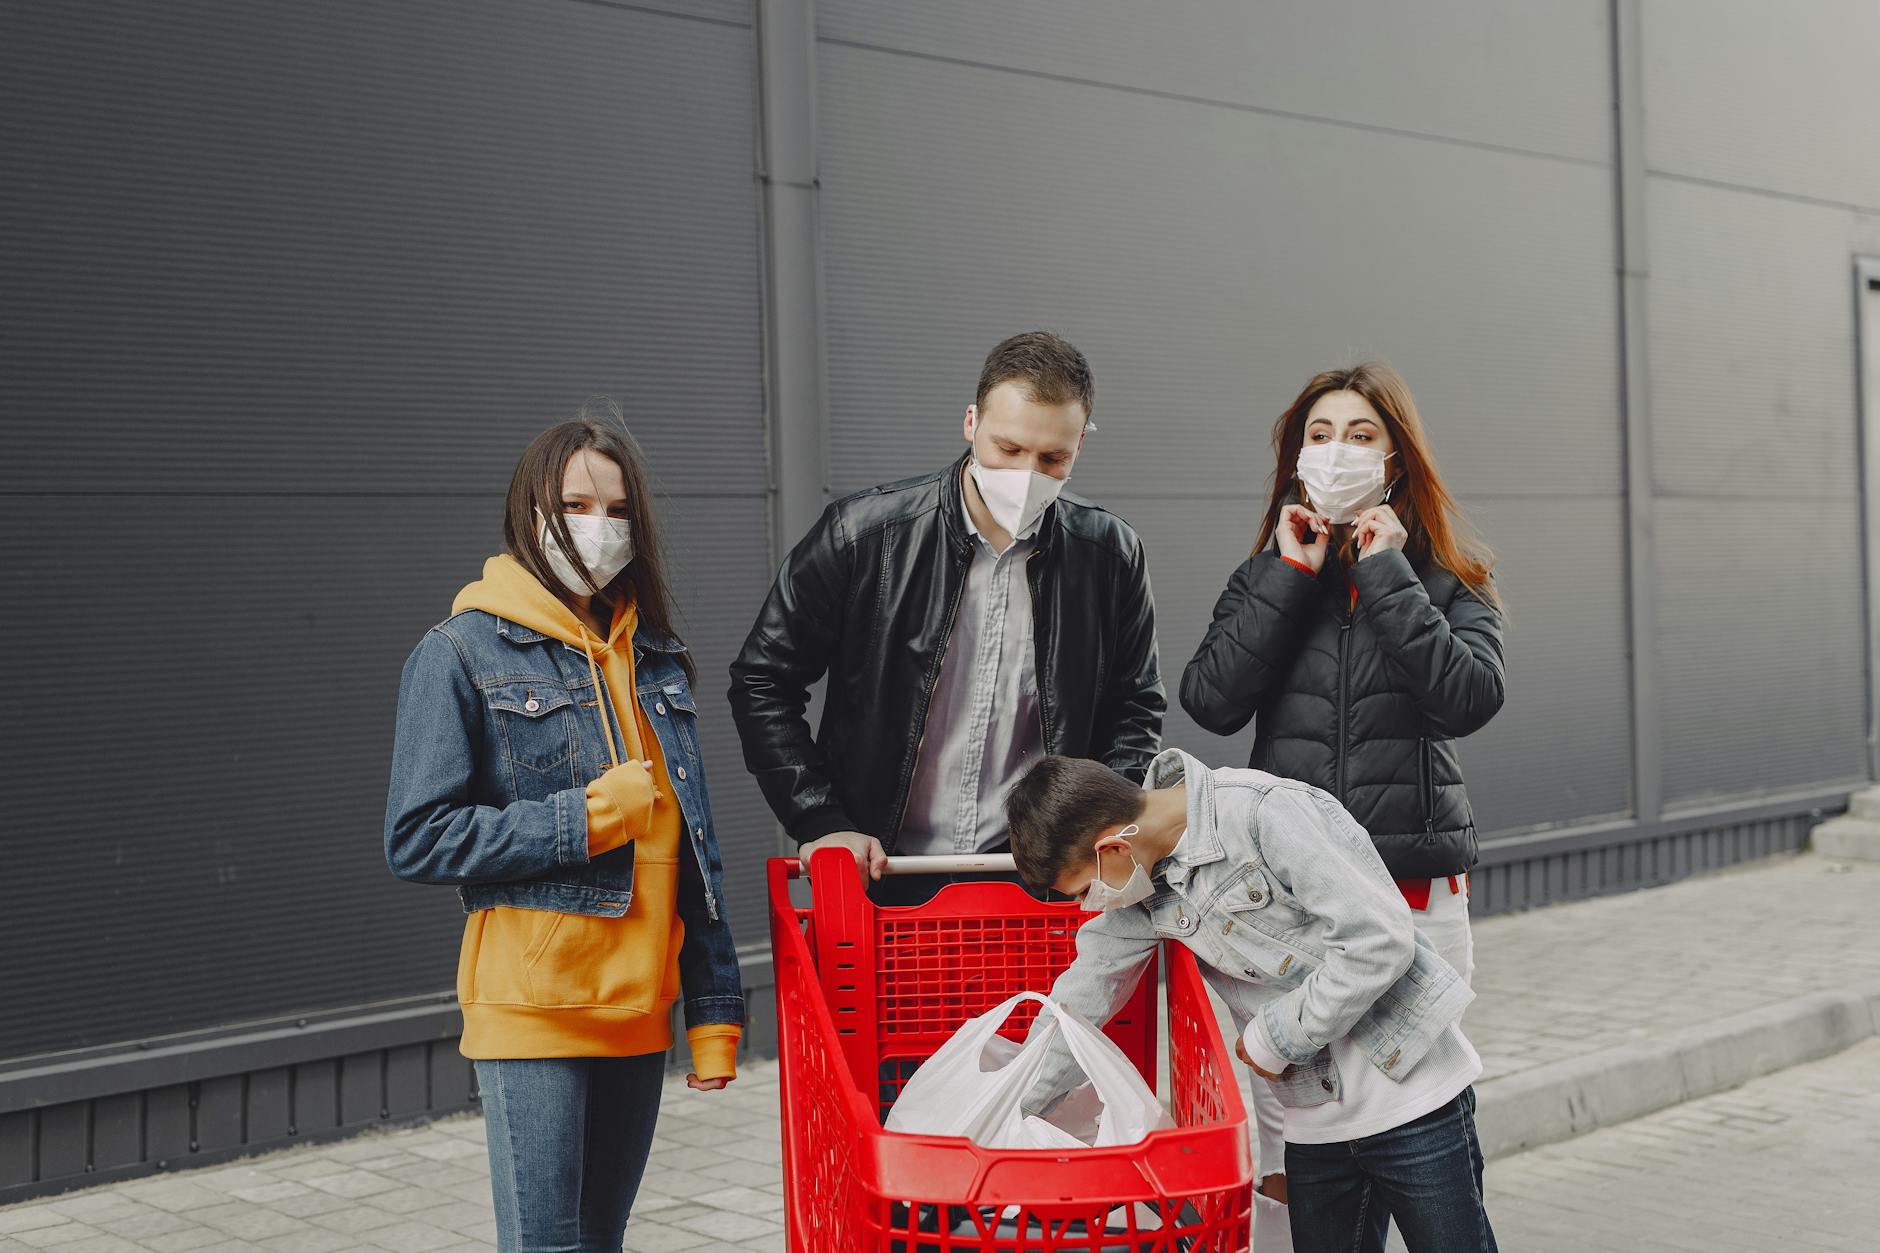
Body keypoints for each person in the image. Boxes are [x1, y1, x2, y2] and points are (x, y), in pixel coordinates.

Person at [385, 407, 743, 1253]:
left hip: (637, 1009)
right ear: (529, 511)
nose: (599, 527)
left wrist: (714, 1009)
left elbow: (696, 848)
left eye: (618, 510)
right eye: (576, 505)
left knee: (601, 1242)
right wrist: (580, 821)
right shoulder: (458, 651)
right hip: (533, 1006)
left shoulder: (653, 655)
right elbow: (418, 835)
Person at [1179, 362, 1505, 1239]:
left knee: (1422, 1125)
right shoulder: (1269, 576)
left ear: (1395, 461)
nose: (1337, 452)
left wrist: (1389, 569)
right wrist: (1289, 575)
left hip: (1411, 900)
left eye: (1360, 435)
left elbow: (1467, 699)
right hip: (1296, 918)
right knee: (1314, 1155)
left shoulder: (1448, 579)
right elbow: (1209, 700)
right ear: (1294, 461)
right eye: (1319, 435)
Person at [728, 331, 1164, 904]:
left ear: (1080, 443)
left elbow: (1135, 707)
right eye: (1007, 448)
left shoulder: (1110, 553)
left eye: (1053, 458)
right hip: (883, 876)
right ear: (969, 423)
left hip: (1040, 882)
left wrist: (1100, 832)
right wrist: (821, 820)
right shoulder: (864, 537)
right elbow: (762, 681)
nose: (1027, 473)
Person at [1009, 750, 1497, 1253]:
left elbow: (1378, 942)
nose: (1090, 904)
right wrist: (1005, 1106)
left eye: (1086, 890)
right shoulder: (1145, 881)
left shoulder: (1265, 812)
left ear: (1112, 846)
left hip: (1412, 1092)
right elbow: (1082, 998)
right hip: (1314, 1119)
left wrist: (1277, 1036)